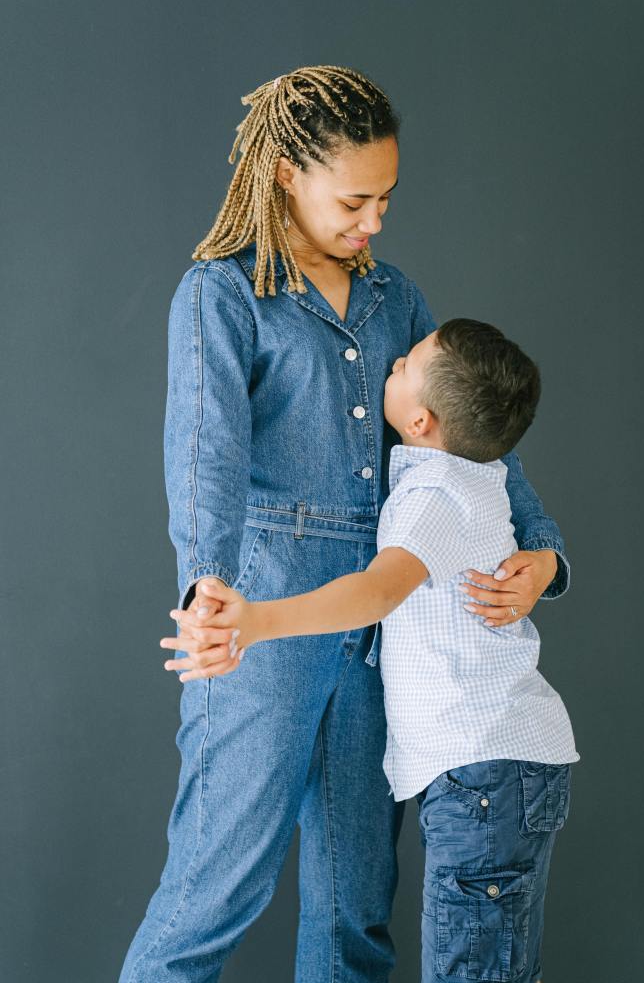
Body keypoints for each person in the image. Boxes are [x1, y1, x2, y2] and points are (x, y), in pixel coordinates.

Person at [120, 65, 570, 983]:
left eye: (386, 201)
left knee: (356, 910)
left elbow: (474, 439)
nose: (374, 222)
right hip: (264, 616)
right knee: (217, 887)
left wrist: (544, 552)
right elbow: (201, 450)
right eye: (355, 199)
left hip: (383, 632)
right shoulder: (222, 294)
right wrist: (208, 588)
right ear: (287, 171)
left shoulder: (395, 296)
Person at [166, 318, 579, 983]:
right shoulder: (478, 476)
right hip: (502, 769)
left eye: (402, 367)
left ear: (419, 421)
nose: (389, 366)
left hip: (480, 774)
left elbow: (377, 592)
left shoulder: (434, 495)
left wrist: (257, 620)